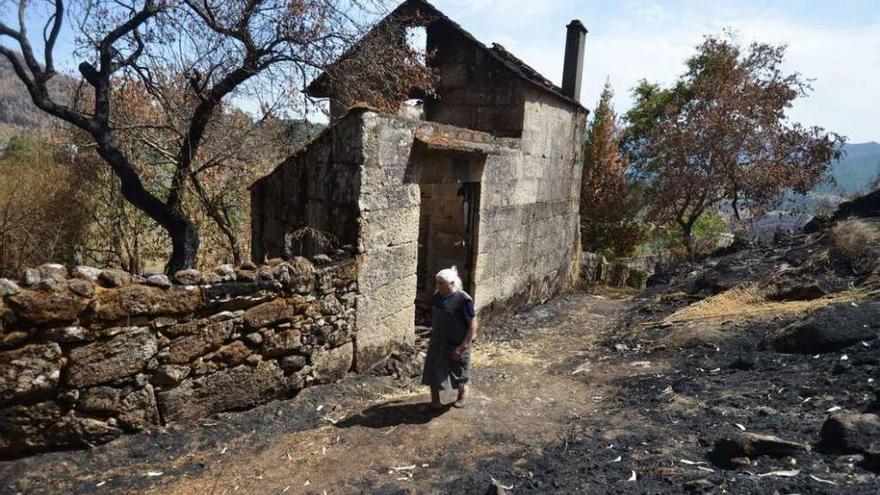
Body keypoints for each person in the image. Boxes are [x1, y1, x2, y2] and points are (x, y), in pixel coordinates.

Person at [421, 266, 478, 410]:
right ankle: (435, 401)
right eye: (437, 283)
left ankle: (462, 393)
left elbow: (473, 325)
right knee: (433, 369)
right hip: (438, 341)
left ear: (452, 284)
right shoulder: (438, 297)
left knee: (459, 371)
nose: (438, 286)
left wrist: (463, 346)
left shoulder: (464, 300)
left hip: (457, 342)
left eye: (441, 283)